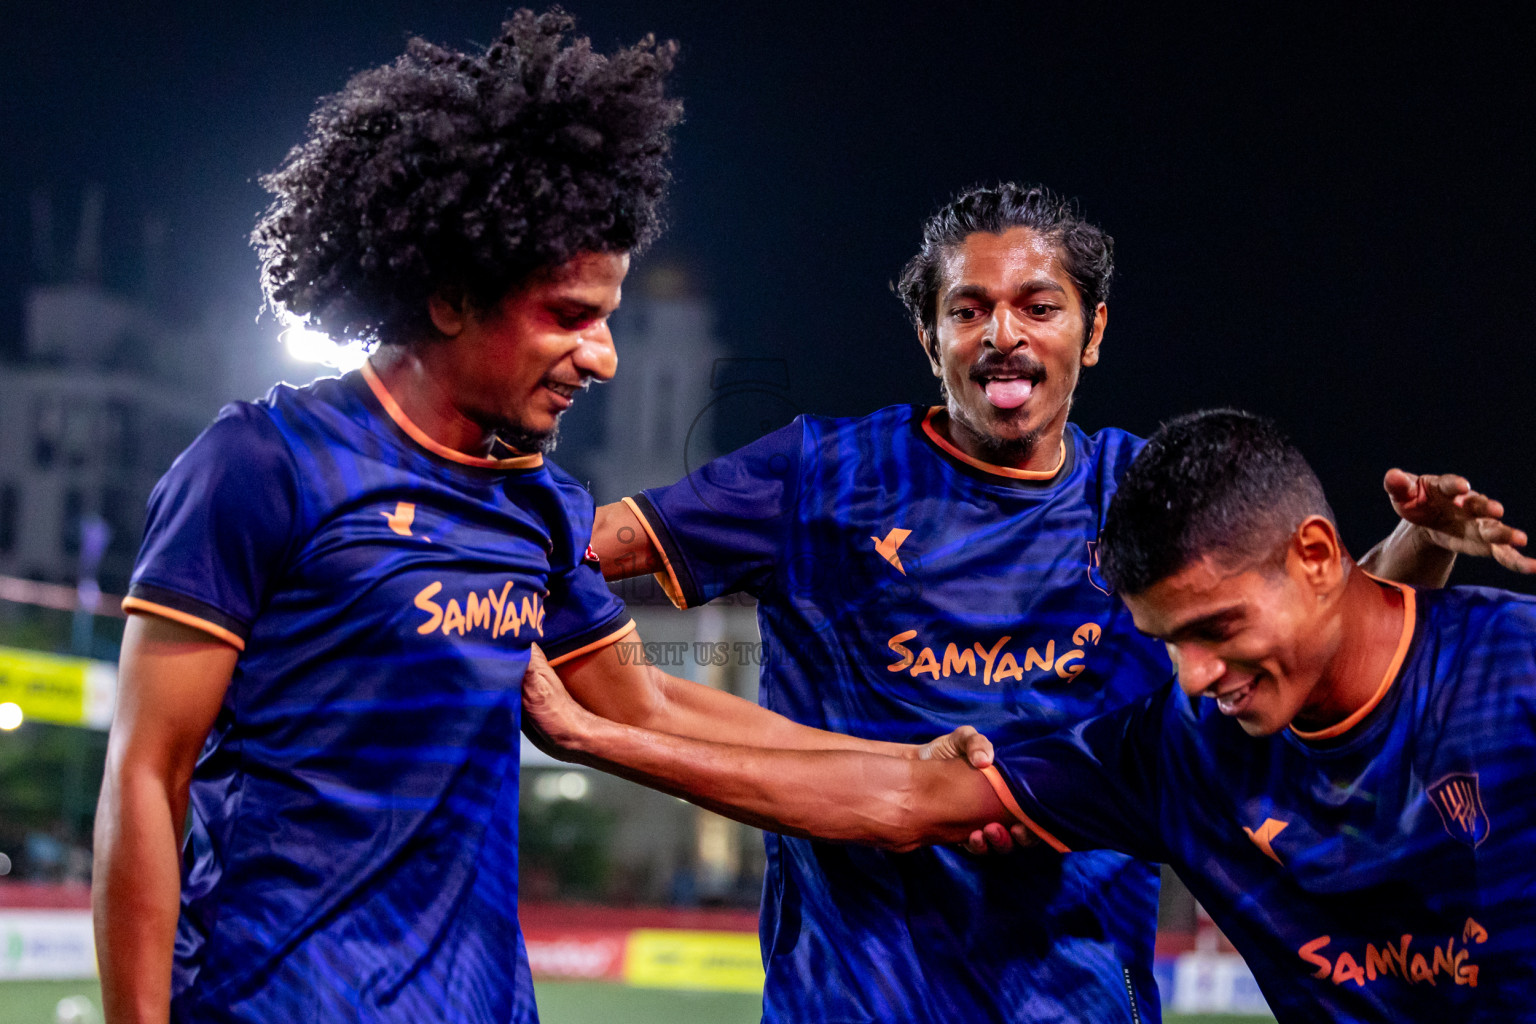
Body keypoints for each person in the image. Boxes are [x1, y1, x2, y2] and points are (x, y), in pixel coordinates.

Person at [89, 14, 988, 1024]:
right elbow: (146, 775)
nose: (603, 356)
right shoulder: (263, 466)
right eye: (569, 315)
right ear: (449, 295)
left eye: (608, 317)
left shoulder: (539, 507)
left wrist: (905, 769)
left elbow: (649, 708)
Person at [586, 183, 1530, 1022]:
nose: (1005, 334)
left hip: (1077, 986)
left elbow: (1297, 632)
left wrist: (1413, 551)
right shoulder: (819, 475)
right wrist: (584, 668)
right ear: (929, 337)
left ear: (1096, 330)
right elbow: (572, 552)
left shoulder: (1144, 495)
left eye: (1040, 306)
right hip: (856, 983)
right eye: (969, 310)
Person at [522, 408, 1536, 1024]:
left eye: (1214, 627)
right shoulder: (1176, 751)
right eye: (1165, 639)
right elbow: (910, 793)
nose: (1188, 676)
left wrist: (1414, 554)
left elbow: (1360, 650)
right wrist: (595, 736)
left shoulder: (1508, 667)